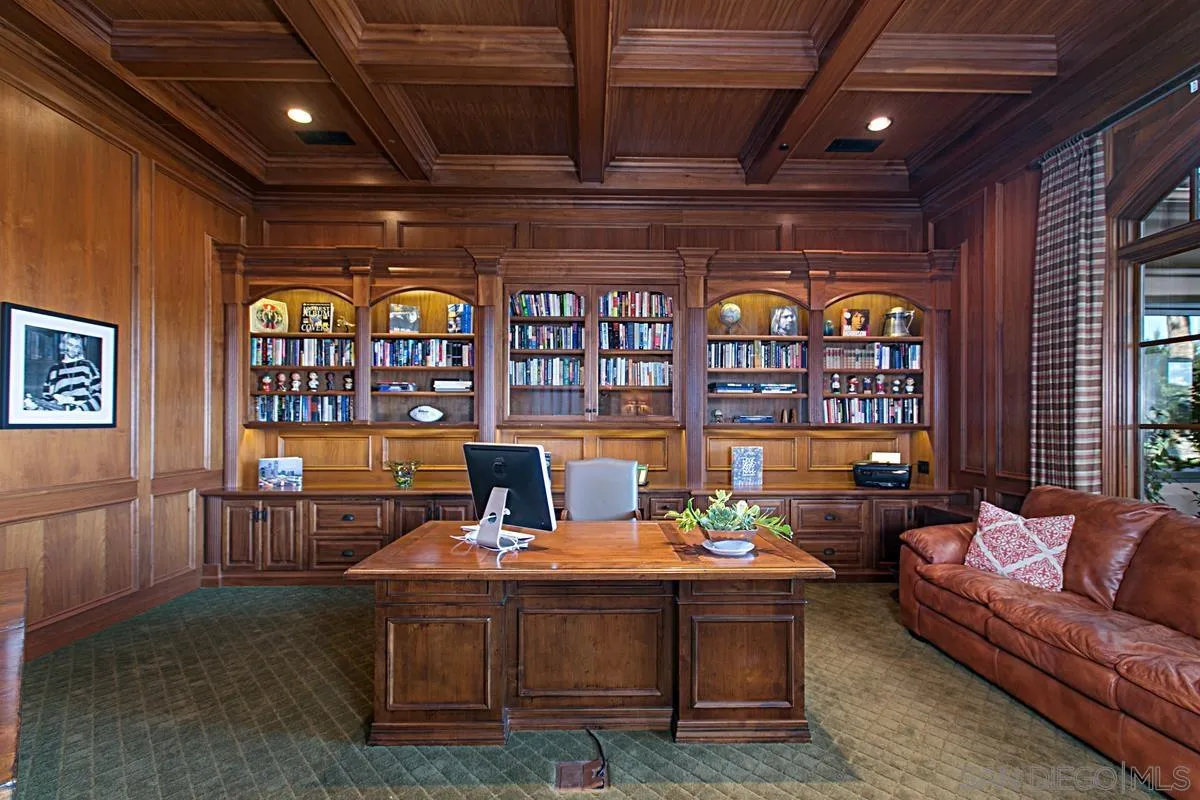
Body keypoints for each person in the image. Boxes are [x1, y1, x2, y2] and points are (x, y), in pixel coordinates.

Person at [41, 332, 101, 411]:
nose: (73, 349)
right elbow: (47, 398)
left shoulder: (87, 366)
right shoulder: (54, 369)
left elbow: (100, 396)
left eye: (77, 346)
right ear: (63, 345)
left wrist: (80, 410)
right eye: (70, 344)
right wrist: (36, 406)